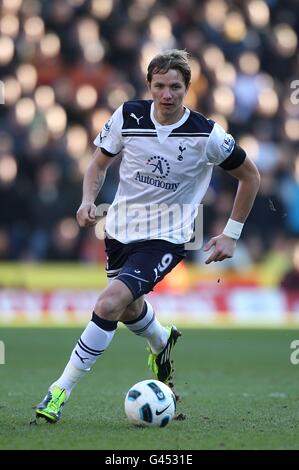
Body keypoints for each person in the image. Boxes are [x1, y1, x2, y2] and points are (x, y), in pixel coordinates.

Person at [35, 49, 260, 422]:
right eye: (159, 86)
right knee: (127, 310)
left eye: (175, 86)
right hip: (119, 231)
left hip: (168, 237)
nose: (167, 94)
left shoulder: (207, 134)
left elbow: (250, 176)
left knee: (108, 305)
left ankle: (58, 391)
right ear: (149, 86)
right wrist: (88, 200)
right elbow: (98, 163)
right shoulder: (128, 116)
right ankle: (161, 339)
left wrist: (231, 233)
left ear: (188, 88)